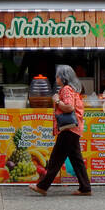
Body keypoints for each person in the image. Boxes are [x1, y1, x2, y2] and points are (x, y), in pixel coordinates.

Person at [30, 64, 91, 196]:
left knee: (55, 159)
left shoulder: (66, 89)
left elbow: (69, 107)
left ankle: (42, 186)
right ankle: (85, 188)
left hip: (68, 129)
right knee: (76, 160)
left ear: (63, 78)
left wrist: (57, 101)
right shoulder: (73, 89)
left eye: (57, 76)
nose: (56, 78)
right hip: (74, 129)